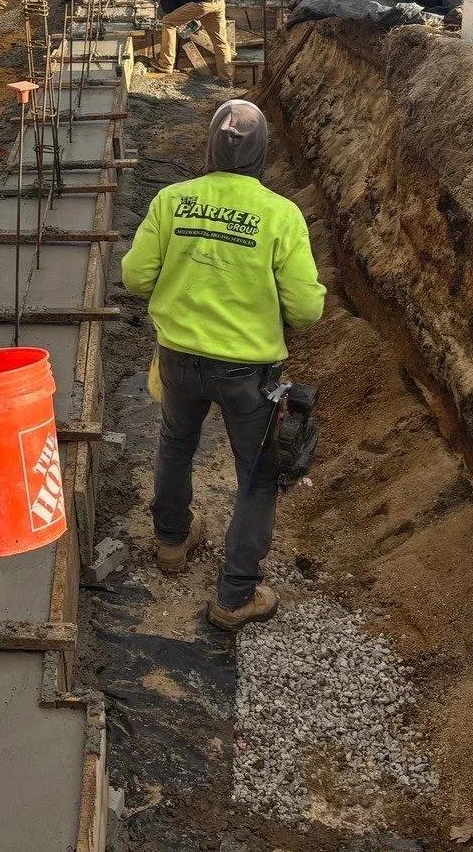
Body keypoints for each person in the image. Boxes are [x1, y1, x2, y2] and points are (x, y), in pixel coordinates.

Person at [121, 101, 325, 630]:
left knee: (175, 444)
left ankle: (171, 542)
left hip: (180, 359)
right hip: (247, 373)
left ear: (210, 146)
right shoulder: (280, 215)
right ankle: (234, 596)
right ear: (262, 155)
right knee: (256, 479)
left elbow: (137, 279)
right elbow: (306, 309)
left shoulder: (172, 201)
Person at [144, 0, 233, 82]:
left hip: (203, 0)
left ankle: (166, 64)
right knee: (219, 41)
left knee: (168, 22)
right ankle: (226, 79)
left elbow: (170, 10)